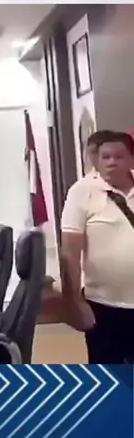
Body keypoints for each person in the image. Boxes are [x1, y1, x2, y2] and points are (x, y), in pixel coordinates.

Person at [61, 131, 134, 363]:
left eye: (119, 156)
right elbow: (70, 252)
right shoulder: (82, 192)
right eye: (106, 157)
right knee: (108, 372)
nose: (112, 162)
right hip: (104, 305)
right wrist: (73, 301)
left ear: (131, 159)